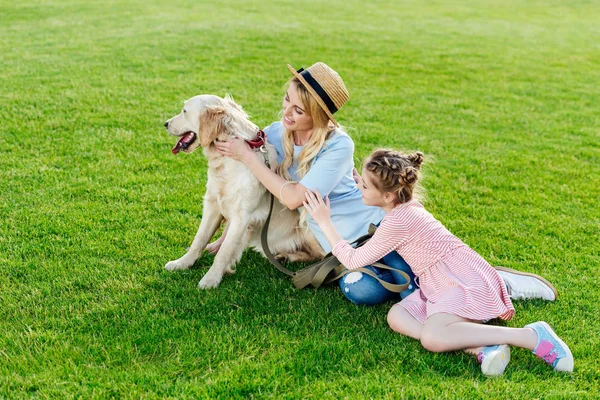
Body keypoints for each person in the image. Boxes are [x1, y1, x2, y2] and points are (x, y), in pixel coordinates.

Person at [214, 61, 557, 305]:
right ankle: (450, 283)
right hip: (342, 249)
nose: (287, 113)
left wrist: (247, 156)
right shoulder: (277, 134)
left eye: (298, 110)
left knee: (417, 281)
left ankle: (498, 282)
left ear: (318, 117)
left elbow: (291, 198)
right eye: (287, 101)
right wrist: (231, 232)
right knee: (361, 291)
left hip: (375, 231)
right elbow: (256, 182)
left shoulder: (338, 145)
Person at [303, 149, 573, 376]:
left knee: (431, 337)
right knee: (397, 315)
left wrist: (324, 220)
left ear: (387, 196)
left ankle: (529, 336)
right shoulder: (404, 207)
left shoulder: (397, 221)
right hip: (439, 281)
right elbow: (380, 199)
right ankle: (479, 347)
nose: (357, 186)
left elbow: (353, 259)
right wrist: (366, 181)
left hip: (459, 280)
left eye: (363, 184)